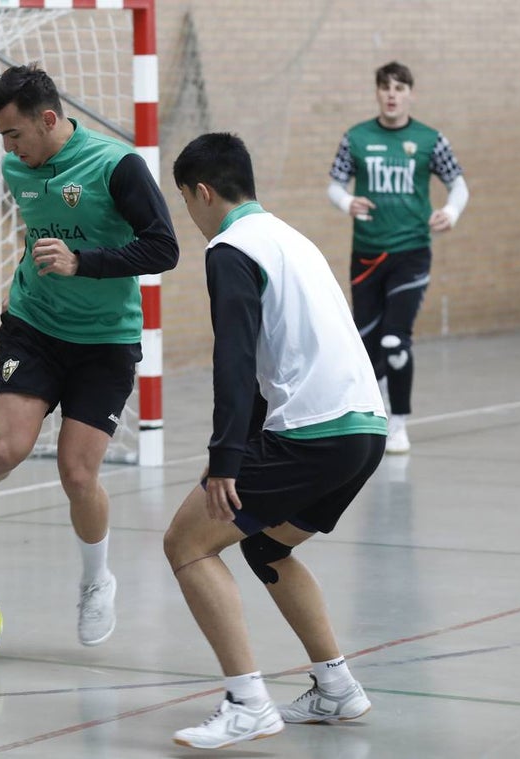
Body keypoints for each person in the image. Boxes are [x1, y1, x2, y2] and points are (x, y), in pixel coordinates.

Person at [0, 64, 179, 646]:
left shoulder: (116, 166)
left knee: (78, 473)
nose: (7, 147)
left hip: (105, 340)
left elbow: (164, 248)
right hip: (35, 325)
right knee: (6, 449)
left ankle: (97, 581)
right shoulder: (14, 168)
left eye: (14, 133)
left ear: (48, 119)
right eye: (1, 136)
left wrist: (82, 262)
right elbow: (39, 229)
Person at [165, 132, 387, 749]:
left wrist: (224, 459)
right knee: (265, 546)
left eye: (185, 201)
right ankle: (337, 688)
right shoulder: (292, 239)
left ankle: (247, 704)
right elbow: (281, 358)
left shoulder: (230, 249)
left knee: (187, 543)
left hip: (313, 433)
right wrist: (240, 447)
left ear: (202, 193)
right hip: (363, 430)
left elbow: (234, 361)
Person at [328, 61, 469, 454]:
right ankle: (371, 416)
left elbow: (459, 185)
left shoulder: (429, 140)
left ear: (411, 94)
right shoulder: (356, 137)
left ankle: (400, 422)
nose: (392, 94)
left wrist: (451, 212)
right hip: (367, 253)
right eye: (385, 87)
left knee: (394, 339)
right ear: (377, 92)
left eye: (400, 88)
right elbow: (335, 185)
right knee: (366, 344)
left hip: (411, 252)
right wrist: (346, 202)